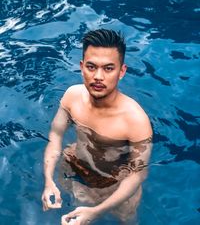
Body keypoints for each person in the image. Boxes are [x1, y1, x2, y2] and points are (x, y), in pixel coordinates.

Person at [41, 29, 153, 225]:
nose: (98, 76)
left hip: (115, 186)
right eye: (91, 67)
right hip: (75, 166)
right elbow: (55, 136)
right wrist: (48, 180)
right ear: (82, 67)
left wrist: (97, 211)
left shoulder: (135, 120)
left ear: (122, 71)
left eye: (108, 68)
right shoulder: (72, 97)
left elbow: (138, 174)